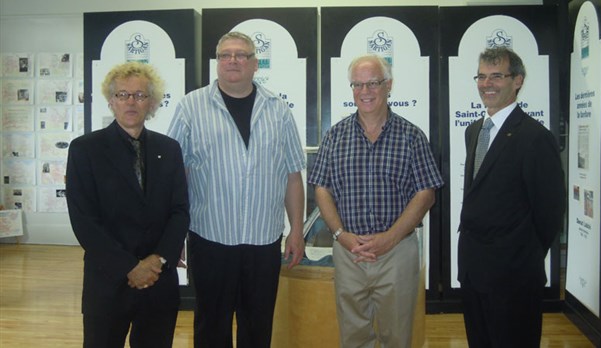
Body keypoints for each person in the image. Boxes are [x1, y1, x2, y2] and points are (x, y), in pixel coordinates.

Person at [167, 31, 306, 348]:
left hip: (263, 240)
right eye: (226, 55)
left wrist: (296, 230)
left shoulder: (278, 110)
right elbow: (174, 175)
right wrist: (174, 235)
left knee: (258, 327)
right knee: (210, 326)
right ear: (217, 63)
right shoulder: (191, 107)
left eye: (241, 54)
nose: (233, 60)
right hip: (209, 238)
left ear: (255, 63)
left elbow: (292, 175)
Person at [308, 54, 444, 347]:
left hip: (397, 252)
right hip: (349, 252)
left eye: (373, 83)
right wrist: (341, 235)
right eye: (358, 84)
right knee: (353, 335)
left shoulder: (412, 136)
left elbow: (426, 193)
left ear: (388, 85)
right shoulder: (335, 136)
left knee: (397, 335)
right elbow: (321, 188)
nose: (365, 91)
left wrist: (390, 238)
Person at [65, 62, 190, 348]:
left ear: (153, 103)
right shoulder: (85, 150)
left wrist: (156, 261)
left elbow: (180, 210)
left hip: (159, 281)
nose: (131, 102)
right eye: (123, 95)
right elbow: (84, 219)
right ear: (111, 101)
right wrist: (129, 266)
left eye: (140, 95)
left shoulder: (168, 149)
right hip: (108, 281)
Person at [458, 47, 566, 348]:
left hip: (513, 275)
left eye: (496, 76)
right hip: (473, 268)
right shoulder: (474, 130)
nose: (486, 84)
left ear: (517, 80)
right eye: (481, 76)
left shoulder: (535, 138)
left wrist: (521, 257)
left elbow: (550, 212)